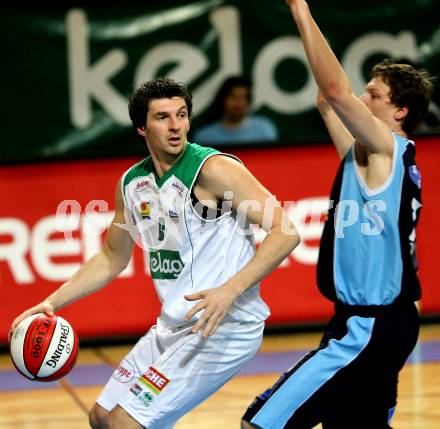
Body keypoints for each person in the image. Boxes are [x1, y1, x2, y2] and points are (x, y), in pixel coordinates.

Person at [9, 77, 300, 429]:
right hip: (173, 327)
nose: (175, 126)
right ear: (141, 127)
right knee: (101, 417)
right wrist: (52, 303)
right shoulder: (133, 184)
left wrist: (230, 289)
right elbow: (110, 258)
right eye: (163, 117)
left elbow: (286, 231)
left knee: (124, 423)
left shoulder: (214, 169)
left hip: (222, 327)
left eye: (181, 114)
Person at [242, 1, 435, 428]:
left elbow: (334, 93)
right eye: (362, 90)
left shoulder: (386, 149)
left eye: (375, 94)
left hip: (370, 327)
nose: (362, 99)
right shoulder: (365, 156)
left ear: (400, 112)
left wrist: (300, 11)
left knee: (260, 423)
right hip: (381, 322)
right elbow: (328, 102)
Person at [193, 75, 279, 145]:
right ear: (222, 99)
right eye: (233, 97)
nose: (238, 103)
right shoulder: (205, 137)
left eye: (243, 98)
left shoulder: (264, 129)